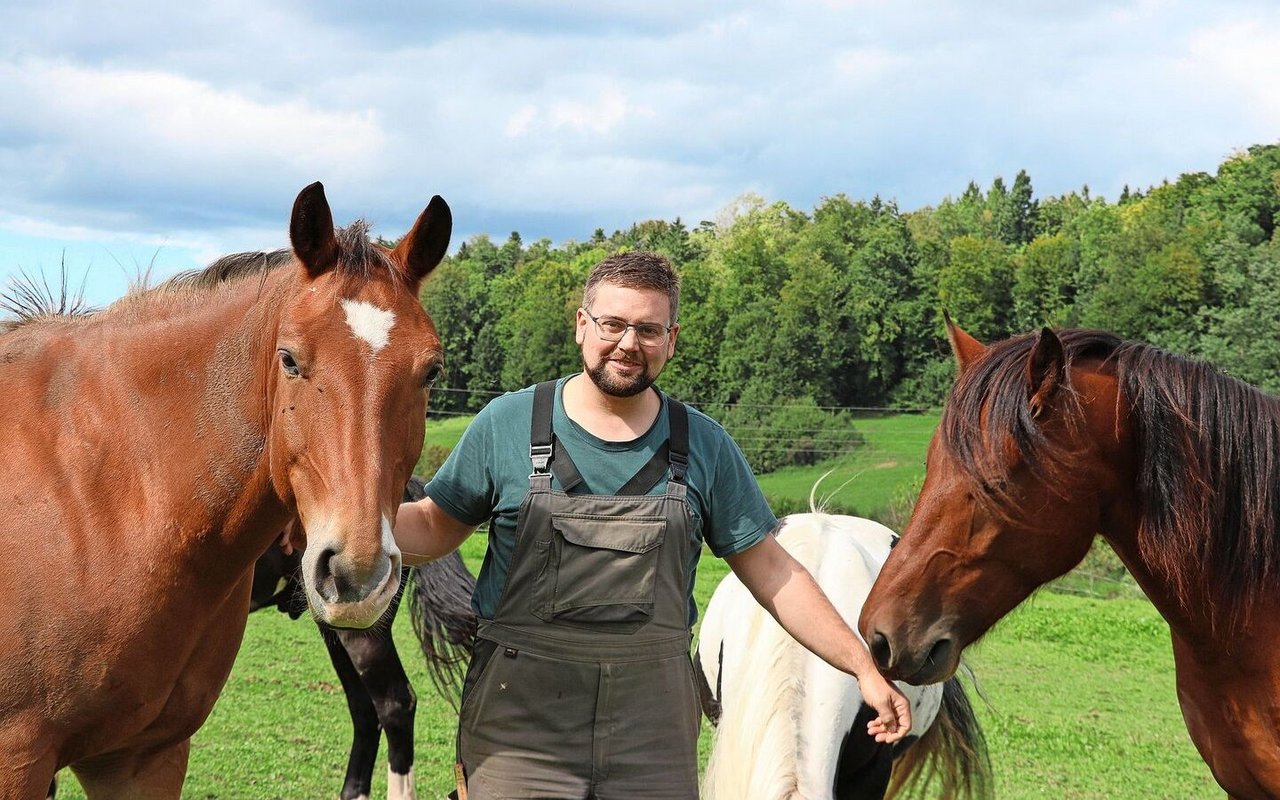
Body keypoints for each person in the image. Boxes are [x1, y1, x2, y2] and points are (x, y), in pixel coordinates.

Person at [394, 251, 911, 799]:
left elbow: (774, 571)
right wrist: (321, 520)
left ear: (672, 338)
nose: (627, 343)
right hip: (519, 732)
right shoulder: (507, 424)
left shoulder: (704, 444)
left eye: (648, 329)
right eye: (612, 324)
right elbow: (430, 528)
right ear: (581, 326)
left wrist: (864, 668)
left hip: (653, 736)